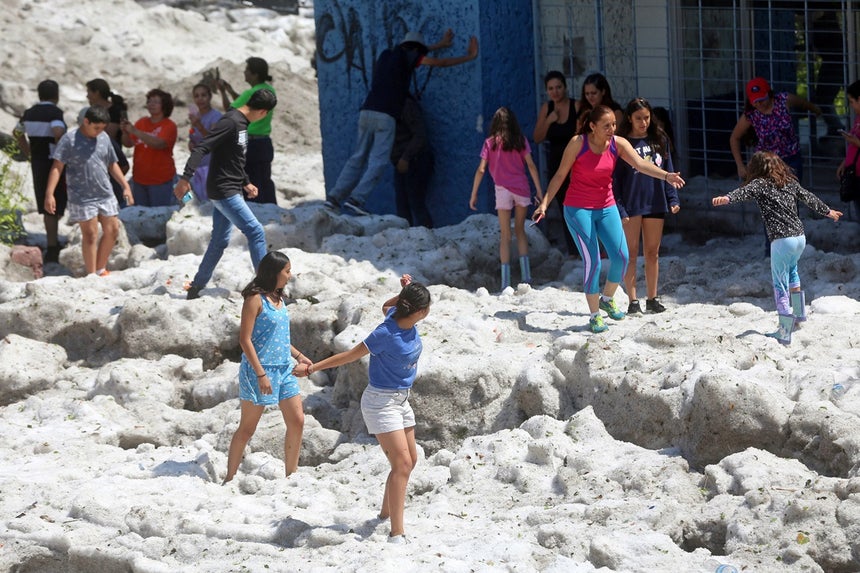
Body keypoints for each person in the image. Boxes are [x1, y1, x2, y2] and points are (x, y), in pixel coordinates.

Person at [296, 274, 430, 543]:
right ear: (418, 312)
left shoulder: (395, 315)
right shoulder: (385, 333)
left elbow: (385, 307)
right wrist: (312, 368)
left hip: (401, 400)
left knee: (410, 461)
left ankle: (385, 513)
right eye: (426, 308)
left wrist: (403, 291)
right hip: (381, 402)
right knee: (402, 464)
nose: (428, 312)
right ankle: (397, 533)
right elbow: (348, 355)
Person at [533, 105, 685, 333]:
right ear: (592, 127)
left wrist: (667, 176)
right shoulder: (578, 143)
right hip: (578, 209)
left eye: (614, 124)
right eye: (606, 125)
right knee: (592, 262)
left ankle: (607, 298)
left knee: (622, 257)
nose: (612, 129)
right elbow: (559, 176)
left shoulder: (618, 143)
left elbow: (641, 164)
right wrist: (544, 204)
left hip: (606, 206)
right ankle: (594, 315)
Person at [324, 30, 479, 216]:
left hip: (366, 112)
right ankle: (356, 199)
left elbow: (417, 50)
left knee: (358, 157)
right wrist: (469, 56)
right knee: (379, 161)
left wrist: (439, 44)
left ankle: (334, 198)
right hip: (385, 115)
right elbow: (441, 63)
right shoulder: (412, 57)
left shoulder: (386, 56)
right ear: (417, 50)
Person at [712, 151, 841, 345]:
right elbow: (809, 197)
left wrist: (726, 198)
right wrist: (828, 211)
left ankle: (784, 330)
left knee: (779, 284)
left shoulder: (759, 184)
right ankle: (799, 315)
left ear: (756, 168)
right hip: (799, 237)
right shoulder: (789, 182)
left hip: (782, 240)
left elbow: (741, 193)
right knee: (793, 273)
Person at [173, 88, 277, 300]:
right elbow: (202, 147)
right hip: (223, 190)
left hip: (231, 187)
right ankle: (267, 289)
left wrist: (246, 182)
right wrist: (185, 178)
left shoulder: (241, 123)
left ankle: (196, 287)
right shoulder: (230, 121)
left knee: (219, 240)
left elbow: (234, 158)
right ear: (263, 112)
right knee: (256, 232)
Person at [224, 251, 310, 483]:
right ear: (275, 272)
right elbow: (245, 339)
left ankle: (291, 475)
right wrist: (261, 374)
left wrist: (300, 356)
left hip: (284, 369)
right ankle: (229, 478)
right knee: (247, 428)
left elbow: (279, 337)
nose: (290, 276)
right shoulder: (254, 299)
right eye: (287, 271)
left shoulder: (279, 299)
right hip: (259, 371)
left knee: (297, 421)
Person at [43, 106, 134, 276]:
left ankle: (101, 268)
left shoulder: (104, 137)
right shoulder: (69, 140)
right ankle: (92, 274)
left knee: (113, 230)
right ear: (86, 122)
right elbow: (57, 167)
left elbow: (112, 164)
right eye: (96, 127)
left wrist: (125, 185)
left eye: (102, 128)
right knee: (90, 234)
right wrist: (50, 194)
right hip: (81, 195)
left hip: (105, 192)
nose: (99, 131)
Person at [613, 98, 681, 315]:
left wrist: (673, 198)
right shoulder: (622, 143)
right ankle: (633, 300)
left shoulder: (660, 139)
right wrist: (620, 208)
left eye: (646, 117)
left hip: (655, 201)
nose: (643, 122)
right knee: (631, 253)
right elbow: (615, 180)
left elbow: (669, 171)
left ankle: (652, 298)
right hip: (631, 203)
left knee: (652, 252)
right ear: (629, 119)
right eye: (638, 118)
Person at [470, 107, 543, 290]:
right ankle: (526, 277)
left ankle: (505, 282)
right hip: (521, 189)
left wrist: (474, 194)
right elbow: (531, 166)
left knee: (505, 235)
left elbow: (481, 169)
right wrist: (540, 191)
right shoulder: (520, 141)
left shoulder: (489, 143)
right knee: (520, 230)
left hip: (502, 190)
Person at [14, 79, 67, 263]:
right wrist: (59, 150)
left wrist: (28, 152)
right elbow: (58, 130)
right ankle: (53, 246)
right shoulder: (54, 112)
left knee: (46, 205)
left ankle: (51, 242)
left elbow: (17, 132)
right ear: (56, 95)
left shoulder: (30, 112)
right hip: (52, 162)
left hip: (37, 161)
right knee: (54, 203)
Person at [729, 77, 822, 182]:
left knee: (790, 194)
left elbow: (803, 103)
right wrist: (740, 165)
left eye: (761, 100)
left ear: (769, 94)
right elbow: (734, 138)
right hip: (765, 163)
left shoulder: (783, 100)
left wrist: (816, 110)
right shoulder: (750, 115)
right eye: (755, 101)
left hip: (791, 159)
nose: (759, 104)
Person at [216, 57, 277, 204]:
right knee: (264, 180)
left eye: (247, 70)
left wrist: (223, 92)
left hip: (250, 143)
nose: (244, 72)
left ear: (254, 74)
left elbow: (230, 111)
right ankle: (270, 210)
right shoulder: (269, 90)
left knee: (249, 182)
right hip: (265, 143)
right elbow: (248, 103)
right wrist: (231, 91)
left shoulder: (250, 93)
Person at [533, 71, 577, 256]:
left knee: (580, 207)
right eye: (551, 88)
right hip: (556, 165)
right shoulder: (547, 108)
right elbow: (537, 137)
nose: (555, 91)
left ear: (565, 87)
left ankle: (589, 249)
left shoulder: (576, 105)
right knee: (565, 208)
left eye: (558, 87)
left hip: (576, 164)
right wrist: (549, 121)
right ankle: (573, 251)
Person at [121, 88, 178, 206]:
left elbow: (158, 144)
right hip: (139, 178)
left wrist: (135, 131)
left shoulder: (169, 125)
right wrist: (125, 132)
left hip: (160, 180)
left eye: (156, 102)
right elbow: (128, 143)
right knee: (142, 215)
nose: (151, 104)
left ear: (164, 106)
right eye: (149, 101)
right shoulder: (141, 122)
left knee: (158, 215)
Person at [83, 78, 131, 208]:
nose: (87, 96)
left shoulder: (115, 111)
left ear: (97, 93)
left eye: (89, 92)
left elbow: (110, 134)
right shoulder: (92, 111)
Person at [390, 93, 434, 227]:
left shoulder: (405, 104)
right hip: (401, 162)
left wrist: (405, 157)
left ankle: (426, 239)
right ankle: (407, 241)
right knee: (402, 204)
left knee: (416, 202)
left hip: (415, 160)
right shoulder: (388, 106)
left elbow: (420, 135)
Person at [187, 83, 223, 201]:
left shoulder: (216, 116)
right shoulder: (195, 117)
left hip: (212, 165)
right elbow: (194, 137)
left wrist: (199, 125)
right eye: (196, 96)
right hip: (198, 165)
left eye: (203, 95)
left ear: (210, 97)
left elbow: (213, 140)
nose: (200, 99)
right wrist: (191, 144)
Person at [836, 80, 860, 217]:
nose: (851, 106)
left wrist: (855, 141)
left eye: (852, 101)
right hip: (855, 175)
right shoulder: (858, 119)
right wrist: (845, 163)